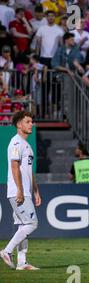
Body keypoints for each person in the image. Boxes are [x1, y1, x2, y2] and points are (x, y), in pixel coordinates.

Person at [1, 111, 40, 271]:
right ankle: (7, 251)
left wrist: (36, 191)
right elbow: (14, 166)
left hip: (26, 191)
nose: (31, 124)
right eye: (28, 121)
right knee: (32, 223)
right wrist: (20, 190)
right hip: (19, 192)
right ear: (19, 124)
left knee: (23, 225)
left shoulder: (27, 145)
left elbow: (29, 171)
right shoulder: (16, 143)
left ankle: (22, 263)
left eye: (32, 121)